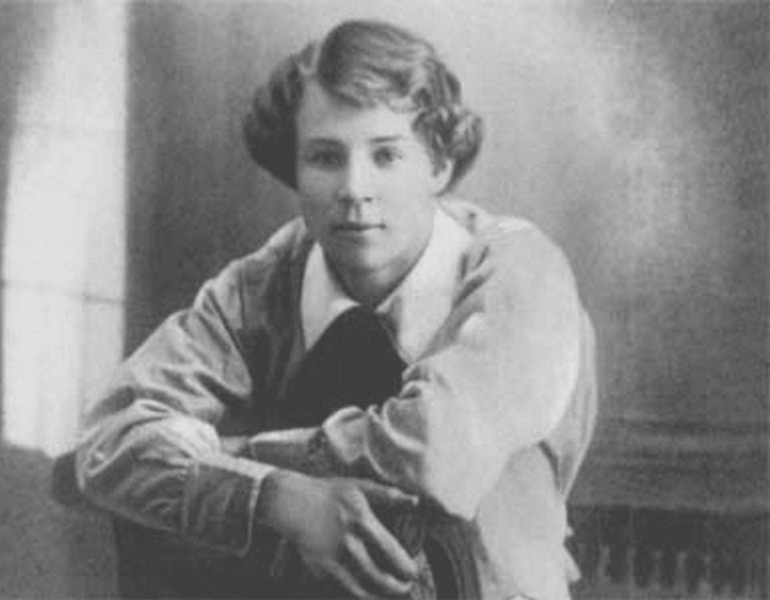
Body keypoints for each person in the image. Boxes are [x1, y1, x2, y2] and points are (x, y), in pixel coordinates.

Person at [74, 19, 597, 600]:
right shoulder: (261, 288)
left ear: (439, 166)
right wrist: (274, 496)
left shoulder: (523, 273)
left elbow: (433, 454)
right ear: (294, 170)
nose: (354, 188)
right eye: (325, 157)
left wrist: (238, 457)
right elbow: (107, 444)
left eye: (386, 155)